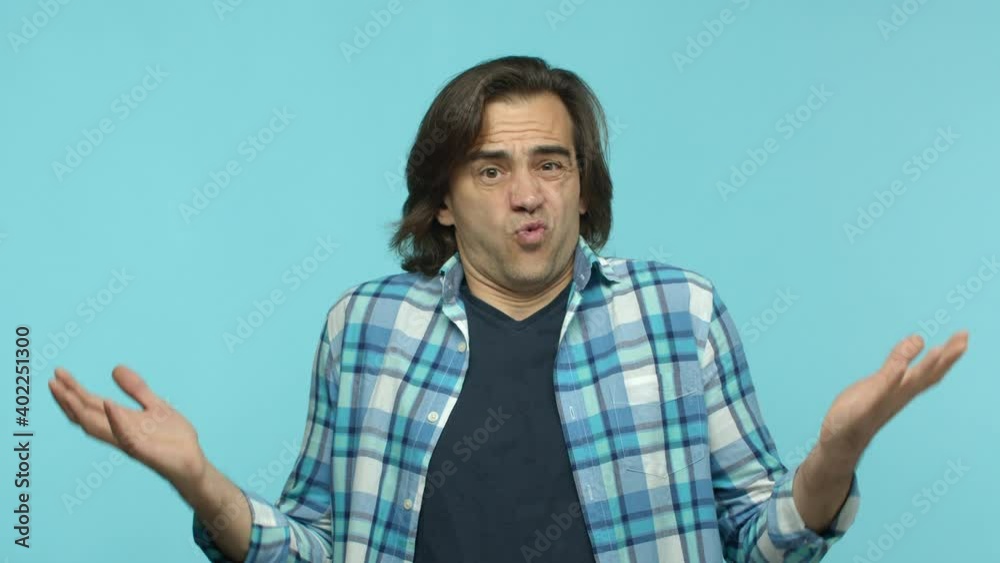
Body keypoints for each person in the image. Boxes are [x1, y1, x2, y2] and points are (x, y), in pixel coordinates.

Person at [48, 55, 969, 563]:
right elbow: (318, 549)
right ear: (444, 200)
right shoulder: (363, 329)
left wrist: (833, 458)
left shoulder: (681, 313)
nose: (528, 194)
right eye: (491, 169)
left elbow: (762, 542)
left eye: (551, 163)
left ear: (582, 184)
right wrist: (202, 484)